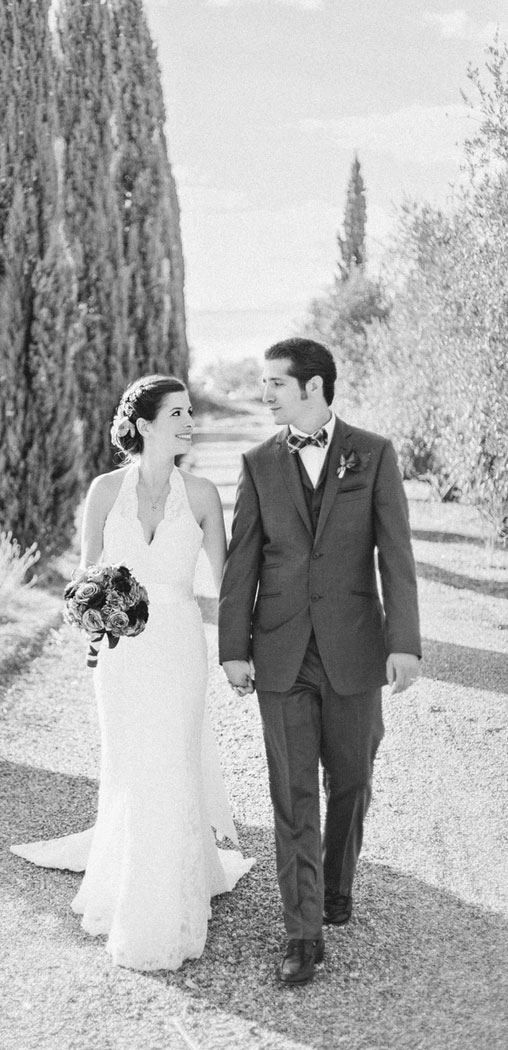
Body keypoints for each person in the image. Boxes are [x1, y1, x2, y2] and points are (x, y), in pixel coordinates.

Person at [12, 374, 253, 971]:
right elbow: (85, 575)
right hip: (120, 656)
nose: (189, 422)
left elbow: (226, 587)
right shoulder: (103, 491)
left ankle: (166, 904)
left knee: (172, 761)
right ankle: (129, 878)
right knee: (130, 766)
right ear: (144, 425)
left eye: (191, 412)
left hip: (177, 646)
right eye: (177, 414)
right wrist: (91, 614)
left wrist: (241, 651)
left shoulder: (200, 495)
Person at [219, 337, 421, 986]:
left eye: (275, 383)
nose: (265, 393)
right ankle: (302, 935)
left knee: (353, 782)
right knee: (293, 796)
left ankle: (336, 887)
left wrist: (405, 643)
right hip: (279, 654)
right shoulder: (256, 465)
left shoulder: (373, 454)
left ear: (313, 387)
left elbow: (397, 557)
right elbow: (240, 566)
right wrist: (232, 650)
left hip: (355, 650)